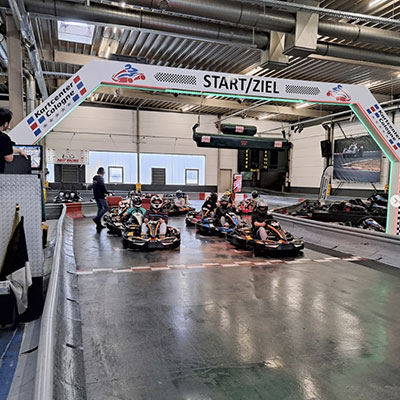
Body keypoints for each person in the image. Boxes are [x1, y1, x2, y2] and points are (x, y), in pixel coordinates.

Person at [0, 108, 27, 173]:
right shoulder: (4, 138)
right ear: (6, 124)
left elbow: (3, 149)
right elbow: (9, 158)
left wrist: (18, 150)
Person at [92, 167, 109, 233]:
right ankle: (97, 218)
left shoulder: (94, 178)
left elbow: (95, 187)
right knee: (106, 207)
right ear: (103, 172)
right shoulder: (101, 178)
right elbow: (102, 187)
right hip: (100, 196)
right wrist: (107, 192)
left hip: (96, 196)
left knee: (100, 208)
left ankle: (98, 225)